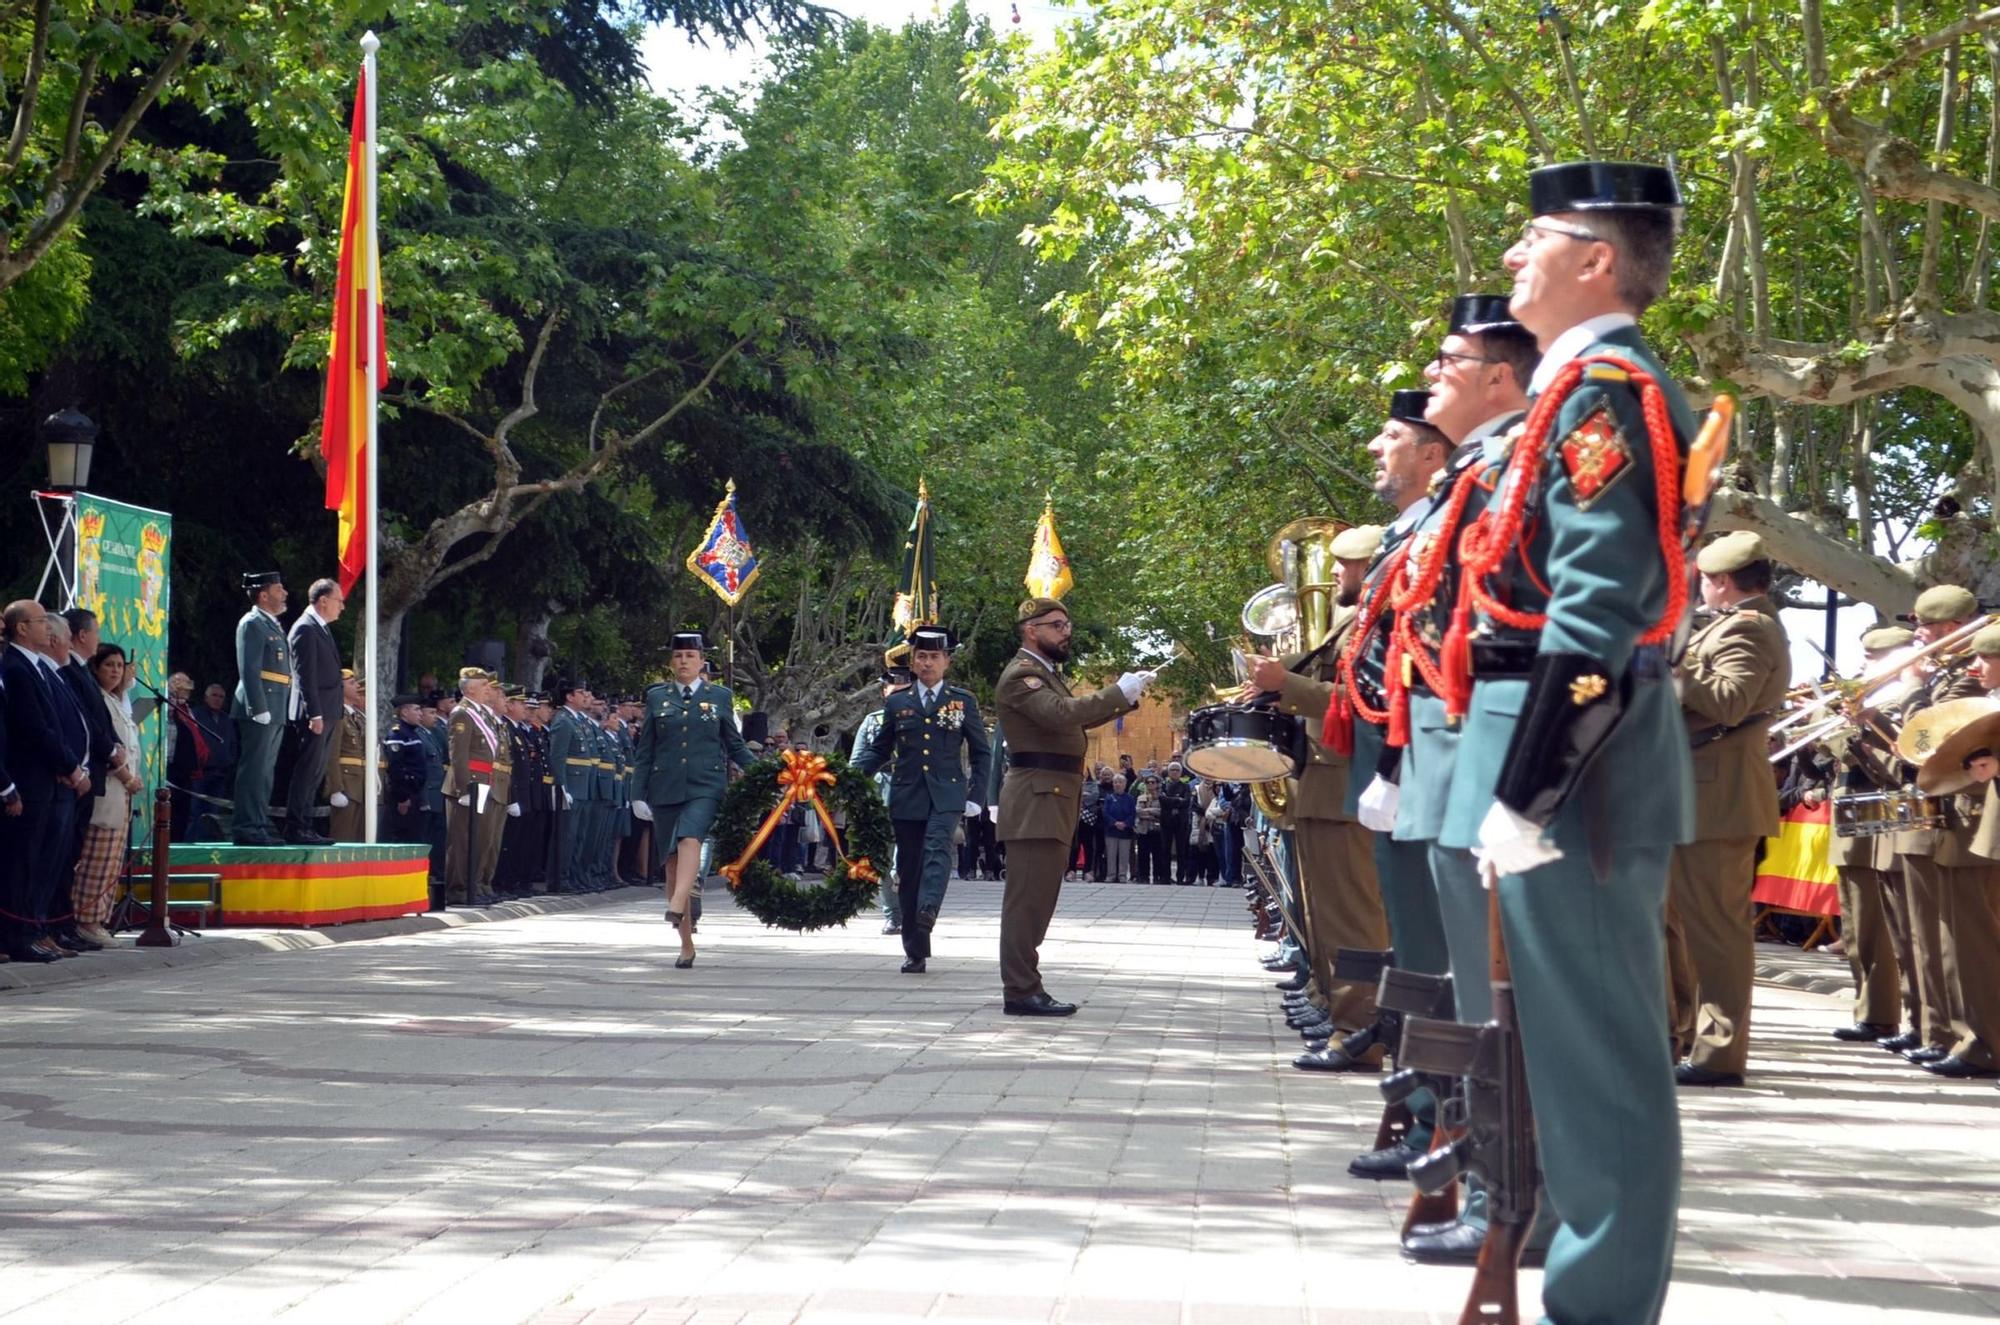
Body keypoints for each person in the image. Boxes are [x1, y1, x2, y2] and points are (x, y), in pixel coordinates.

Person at [1435, 160, 1697, 1325]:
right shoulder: (1570, 388)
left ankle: (1597, 1307)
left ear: (1596, 259)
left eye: (1532, 237)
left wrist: (1527, 788)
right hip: (1555, 764)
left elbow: (1595, 611)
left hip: (1577, 777)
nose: (1509, 258)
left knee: (1602, 1081)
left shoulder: (1603, 389)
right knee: (1573, 1067)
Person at [1375, 291, 1542, 1263]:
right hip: (1446, 748)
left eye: (1448, 358)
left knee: (1498, 988)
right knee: (1471, 986)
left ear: (1494, 375)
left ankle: (1509, 1190)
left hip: (1486, 749)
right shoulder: (1469, 480)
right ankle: (1482, 1168)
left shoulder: (1513, 467)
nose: (1434, 373)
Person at [1256, 522, 1395, 1068]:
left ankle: (1359, 1032)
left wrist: (1285, 685)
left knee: (1353, 922)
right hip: (1324, 781)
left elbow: (1367, 700)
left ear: (1368, 567)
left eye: (1344, 563)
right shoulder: (1350, 624)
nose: (1334, 572)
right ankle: (1347, 1023)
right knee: (1328, 920)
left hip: (1348, 784)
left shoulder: (1379, 621)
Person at [1662, 531, 1791, 1086]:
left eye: (1705, 581)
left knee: (1715, 932)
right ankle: (1679, 1035)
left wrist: (1672, 665)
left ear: (1720, 582)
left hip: (1719, 798)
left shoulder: (1751, 626)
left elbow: (1730, 701)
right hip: (1691, 793)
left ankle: (1719, 1055)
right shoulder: (1722, 623)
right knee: (1674, 926)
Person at [993, 597, 1149, 1015]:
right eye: (1057, 625)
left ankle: (1025, 985)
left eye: (1067, 623)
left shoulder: (1044, 674)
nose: (1067, 631)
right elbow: (1062, 714)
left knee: (1038, 900)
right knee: (1027, 902)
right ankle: (1021, 990)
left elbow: (1070, 720)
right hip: (1036, 801)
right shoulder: (1021, 676)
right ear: (1031, 629)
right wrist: (1116, 692)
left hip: (1051, 799)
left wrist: (1123, 698)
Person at [852, 625, 993, 972]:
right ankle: (915, 949)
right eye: (921, 656)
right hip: (907, 795)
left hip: (947, 794)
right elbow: (880, 749)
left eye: (934, 656)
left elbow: (981, 753)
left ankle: (929, 909)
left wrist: (976, 795)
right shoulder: (898, 701)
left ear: (946, 661)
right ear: (913, 662)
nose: (927, 663)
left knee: (936, 848)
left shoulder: (963, 702)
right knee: (909, 871)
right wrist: (850, 777)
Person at [1819, 626, 1921, 1046]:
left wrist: (1856, 733)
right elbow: (1823, 761)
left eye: (1874, 656)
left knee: (1885, 926)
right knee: (1859, 924)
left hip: (1882, 813)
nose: (1864, 664)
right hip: (1851, 815)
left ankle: (1902, 1017)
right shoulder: (1871, 697)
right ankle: (1873, 1011)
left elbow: (1899, 763)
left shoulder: (1901, 701)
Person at [634, 632, 753, 968]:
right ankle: (685, 942)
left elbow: (734, 743)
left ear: (702, 661)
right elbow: (645, 750)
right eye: (678, 656)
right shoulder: (657, 697)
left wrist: (761, 773)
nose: (683, 661)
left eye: (690, 656)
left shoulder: (720, 697)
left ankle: (675, 902)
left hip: (706, 784)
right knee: (672, 862)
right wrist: (636, 795)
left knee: (690, 836)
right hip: (665, 787)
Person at [1, 601, 88, 963]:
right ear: (22, 629)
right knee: (23, 865)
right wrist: (69, 765)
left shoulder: (37, 667)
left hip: (50, 782)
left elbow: (60, 722)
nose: (48, 630)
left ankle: (36, 929)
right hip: (31, 781)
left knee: (43, 864)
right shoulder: (17, 668)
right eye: (40, 622)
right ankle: (19, 935)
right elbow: (34, 728)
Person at [69, 644, 143, 946]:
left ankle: (99, 918)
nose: (115, 670)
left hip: (122, 791)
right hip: (107, 788)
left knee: (112, 861)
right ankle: (85, 919)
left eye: (119, 665)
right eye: (109, 665)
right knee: (96, 859)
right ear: (96, 669)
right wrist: (125, 775)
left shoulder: (117, 700)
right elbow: (103, 745)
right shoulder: (97, 700)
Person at [231, 571, 292, 846]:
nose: (285, 593)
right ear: (264, 594)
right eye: (279, 589)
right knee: (255, 768)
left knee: (265, 771)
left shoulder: (272, 624)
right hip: (261, 704)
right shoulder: (252, 623)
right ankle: (247, 826)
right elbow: (249, 667)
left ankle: (258, 823)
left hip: (276, 704)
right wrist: (258, 705)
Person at [851, 666, 912, 931]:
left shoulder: (921, 717)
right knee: (883, 860)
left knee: (906, 858)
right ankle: (892, 915)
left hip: (912, 789)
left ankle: (912, 911)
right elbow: (858, 760)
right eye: (893, 690)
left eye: (903, 689)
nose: (897, 694)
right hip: (880, 789)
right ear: (884, 692)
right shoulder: (872, 721)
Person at [284, 578, 345, 845]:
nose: (342, 606)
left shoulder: (319, 627)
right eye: (338, 600)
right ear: (323, 600)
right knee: (307, 771)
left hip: (328, 710)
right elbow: (304, 675)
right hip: (315, 713)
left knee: (316, 772)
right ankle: (296, 827)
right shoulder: (305, 628)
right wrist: (314, 714)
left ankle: (305, 826)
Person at [442, 667, 508, 906]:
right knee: (461, 840)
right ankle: (458, 888)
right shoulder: (462, 713)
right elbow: (458, 754)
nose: (489, 690)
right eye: (485, 686)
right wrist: (462, 789)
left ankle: (475, 884)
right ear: (470, 688)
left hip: (485, 785)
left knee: (482, 838)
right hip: (469, 785)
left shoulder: (485, 715)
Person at [548, 680, 598, 894]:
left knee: (578, 835)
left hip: (583, 785)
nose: (584, 695)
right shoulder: (563, 721)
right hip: (571, 785)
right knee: (565, 836)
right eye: (580, 692)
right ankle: (559, 878)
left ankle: (573, 875)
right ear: (569, 696)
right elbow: (557, 757)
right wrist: (561, 786)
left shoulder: (578, 721)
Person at [322, 670, 369, 842]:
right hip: (346, 782)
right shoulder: (337, 714)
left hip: (360, 783)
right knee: (344, 836)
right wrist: (335, 788)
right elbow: (331, 753)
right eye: (351, 683)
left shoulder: (356, 716)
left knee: (359, 837)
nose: (357, 686)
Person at [165, 673, 208, 841]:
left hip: (187, 769)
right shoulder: (169, 707)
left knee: (184, 812)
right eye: (182, 687)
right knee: (172, 812)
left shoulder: (188, 709)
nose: (186, 691)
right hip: (170, 767)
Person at [383, 693, 430, 844]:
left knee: (416, 837)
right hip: (405, 795)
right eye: (416, 710)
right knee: (404, 838)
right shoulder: (398, 734)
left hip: (415, 792)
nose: (420, 713)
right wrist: (402, 797)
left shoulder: (412, 733)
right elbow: (396, 767)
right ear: (404, 712)